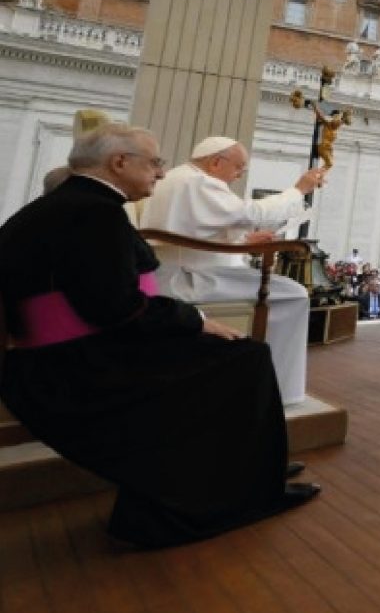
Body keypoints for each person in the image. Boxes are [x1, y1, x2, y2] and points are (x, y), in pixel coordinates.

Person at [0, 125, 318, 548]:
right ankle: (242, 487)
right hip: (76, 369)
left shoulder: (72, 205)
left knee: (238, 355)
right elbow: (115, 306)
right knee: (246, 358)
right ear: (119, 162)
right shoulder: (95, 213)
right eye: (154, 163)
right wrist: (194, 320)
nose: (162, 173)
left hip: (64, 355)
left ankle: (244, 473)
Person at [138, 136, 326, 406]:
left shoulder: (178, 178)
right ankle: (282, 389)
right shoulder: (198, 182)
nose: (239, 176)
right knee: (294, 294)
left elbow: (197, 232)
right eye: (238, 168)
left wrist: (244, 240)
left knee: (286, 291)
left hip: (179, 269)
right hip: (192, 277)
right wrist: (299, 190)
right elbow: (251, 213)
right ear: (216, 162)